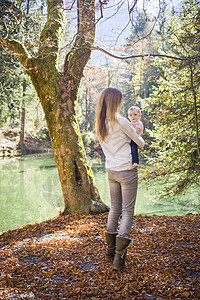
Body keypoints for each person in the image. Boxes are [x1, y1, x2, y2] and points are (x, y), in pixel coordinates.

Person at [95, 88, 145, 270]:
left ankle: (109, 251)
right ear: (116, 102)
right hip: (127, 170)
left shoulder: (99, 123)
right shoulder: (122, 121)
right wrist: (140, 136)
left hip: (112, 171)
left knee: (115, 208)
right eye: (120, 100)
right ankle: (118, 258)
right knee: (128, 211)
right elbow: (140, 143)